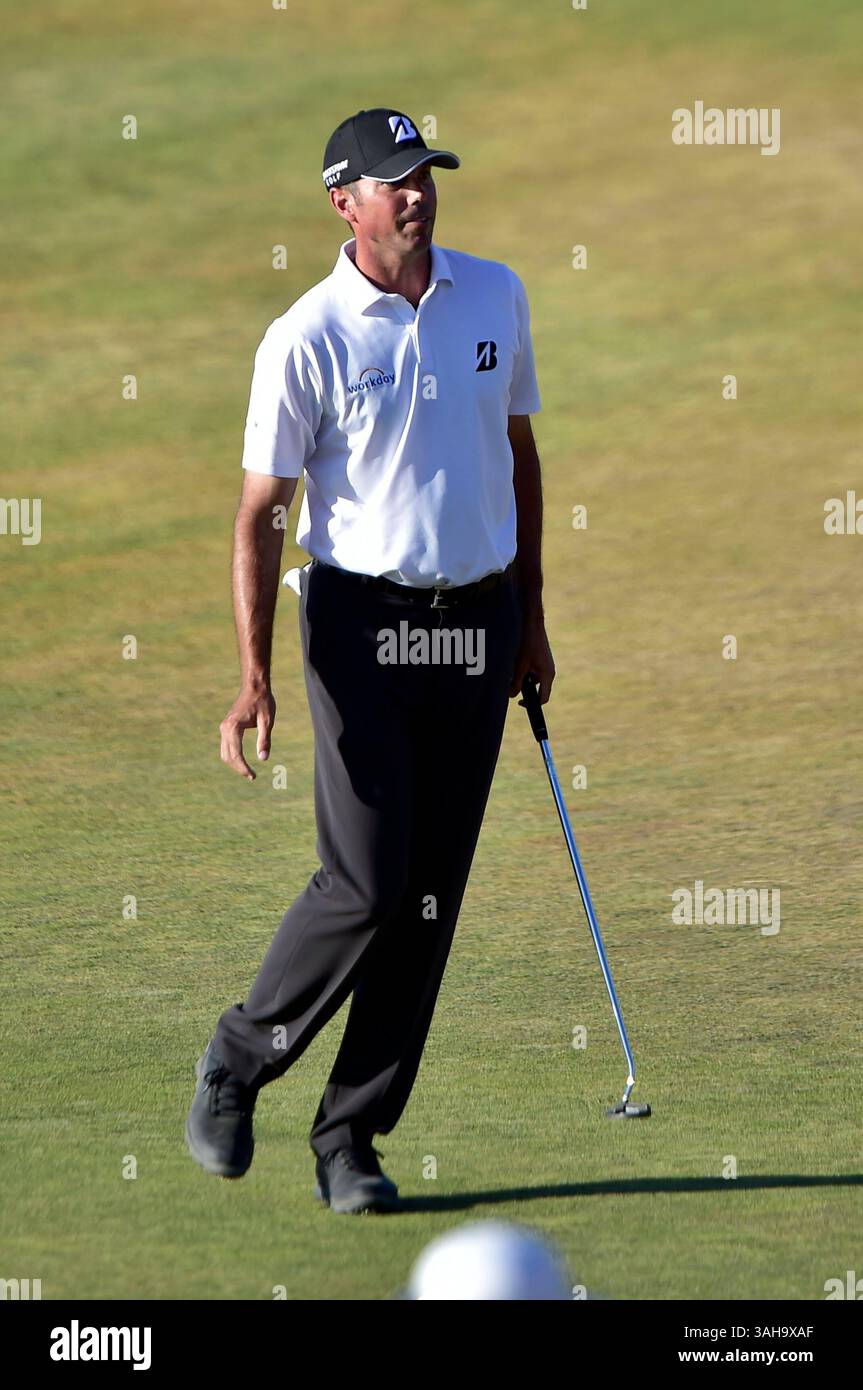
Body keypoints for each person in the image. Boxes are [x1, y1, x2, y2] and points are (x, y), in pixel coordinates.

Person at [186, 107, 555, 1214]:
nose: (416, 193)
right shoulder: (303, 336)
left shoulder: (494, 294)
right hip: (360, 626)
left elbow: (518, 453)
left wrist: (529, 618)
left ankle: (350, 1138)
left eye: (424, 174)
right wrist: (252, 678)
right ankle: (239, 1056)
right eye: (392, 181)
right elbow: (261, 515)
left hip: (477, 623)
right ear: (342, 201)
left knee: (430, 896)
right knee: (368, 878)